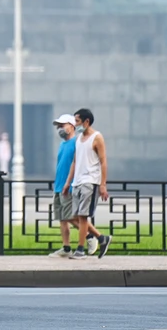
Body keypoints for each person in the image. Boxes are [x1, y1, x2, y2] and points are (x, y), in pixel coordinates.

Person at [62, 108, 112, 259]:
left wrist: (103, 184)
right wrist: (68, 183)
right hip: (77, 182)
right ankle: (102, 238)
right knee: (75, 215)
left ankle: (80, 249)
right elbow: (75, 162)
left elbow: (103, 162)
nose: (75, 125)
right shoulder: (78, 139)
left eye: (77, 121)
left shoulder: (97, 138)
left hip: (90, 181)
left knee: (83, 216)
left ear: (86, 121)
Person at [48, 115, 99, 257]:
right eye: (58, 126)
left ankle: (92, 236)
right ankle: (66, 248)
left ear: (72, 126)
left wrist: (69, 183)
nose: (60, 129)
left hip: (70, 186)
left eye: (62, 125)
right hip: (59, 185)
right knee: (62, 218)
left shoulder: (77, 143)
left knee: (71, 217)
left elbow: (77, 164)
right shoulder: (62, 144)